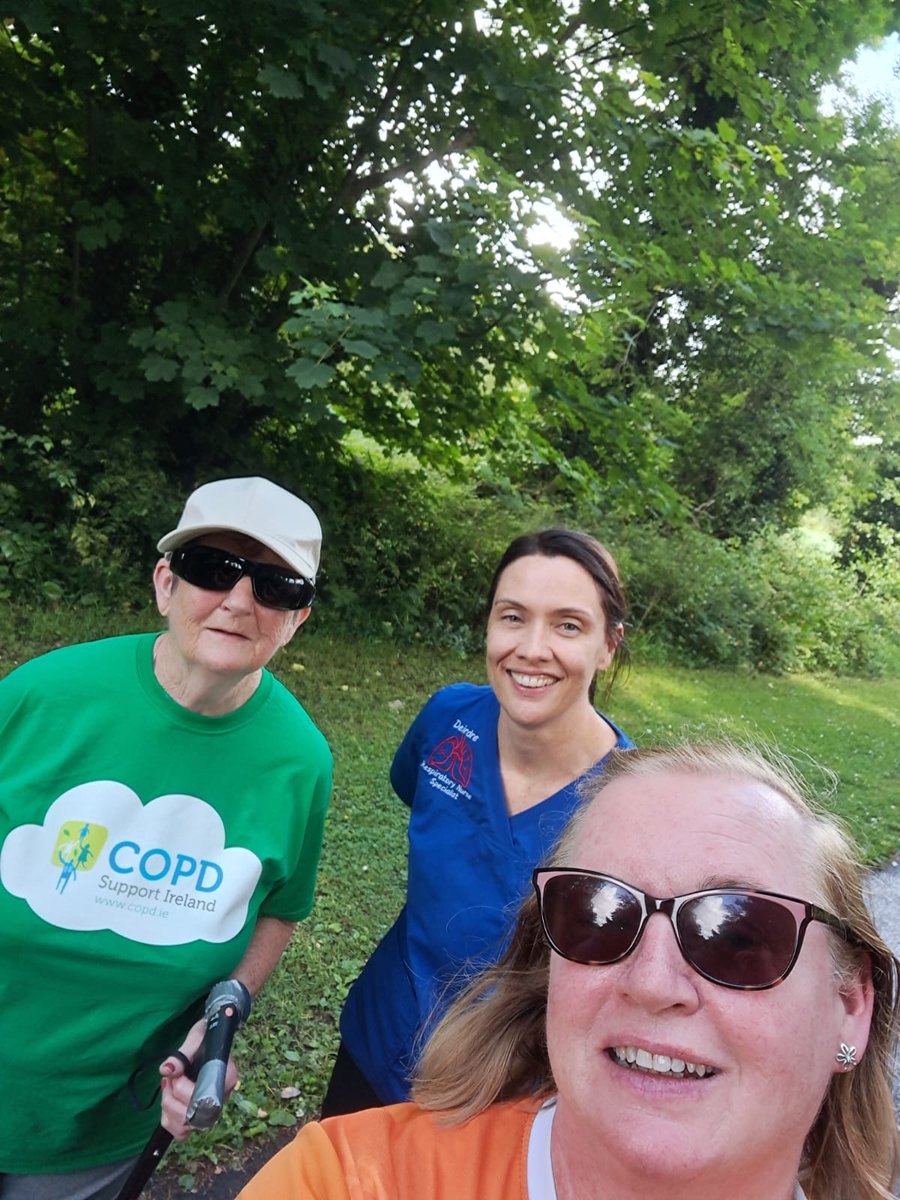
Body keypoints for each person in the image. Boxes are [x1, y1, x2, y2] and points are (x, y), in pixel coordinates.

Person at [238, 741, 900, 1200]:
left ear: (851, 1004)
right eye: (598, 914)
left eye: (738, 934)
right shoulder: (349, 1180)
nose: (650, 983)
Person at [0, 476, 333, 1200]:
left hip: (96, 1126)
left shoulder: (300, 762)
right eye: (213, 569)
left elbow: (282, 905)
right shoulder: (40, 696)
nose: (240, 601)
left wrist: (224, 1014)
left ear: (298, 617)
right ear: (164, 582)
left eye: (275, 585)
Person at [322, 528, 633, 1115]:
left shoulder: (625, 807)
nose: (532, 648)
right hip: (378, 1039)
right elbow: (414, 790)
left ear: (608, 645)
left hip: (500, 1090)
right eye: (512, 616)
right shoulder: (448, 717)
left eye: (568, 625)